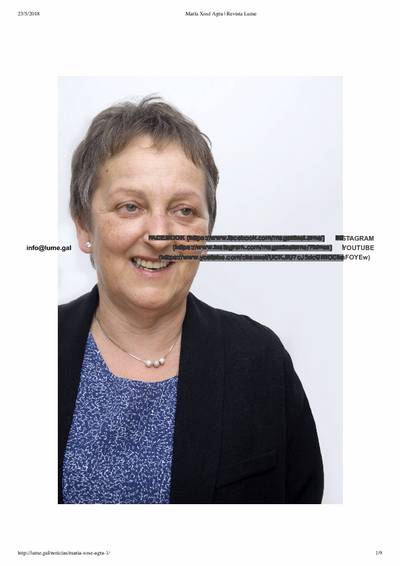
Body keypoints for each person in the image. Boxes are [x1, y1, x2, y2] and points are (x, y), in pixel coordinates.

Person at [59, 95, 324, 504]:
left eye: (183, 211)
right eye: (130, 206)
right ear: (83, 226)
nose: (159, 236)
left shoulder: (261, 361)